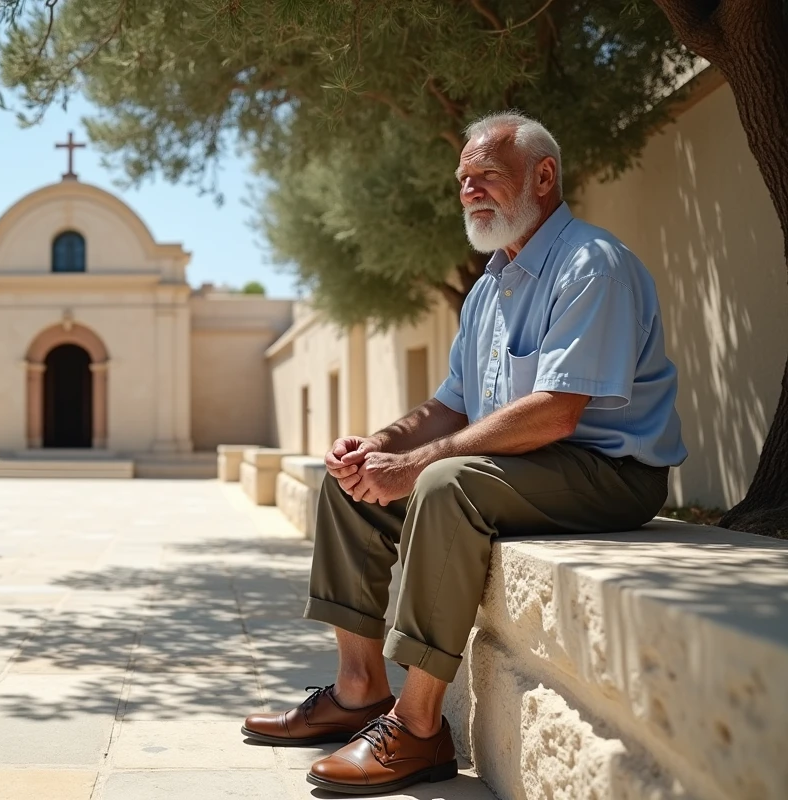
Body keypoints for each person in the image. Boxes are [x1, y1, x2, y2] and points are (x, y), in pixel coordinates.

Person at [241, 111, 687, 795]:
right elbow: (451, 404)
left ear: (544, 176)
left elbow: (557, 412)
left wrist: (417, 466)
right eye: (463, 180)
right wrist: (377, 448)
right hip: (530, 470)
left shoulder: (590, 264)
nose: (471, 191)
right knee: (350, 487)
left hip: (611, 472)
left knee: (446, 483)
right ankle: (360, 690)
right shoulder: (488, 288)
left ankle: (418, 728)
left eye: (488, 176)